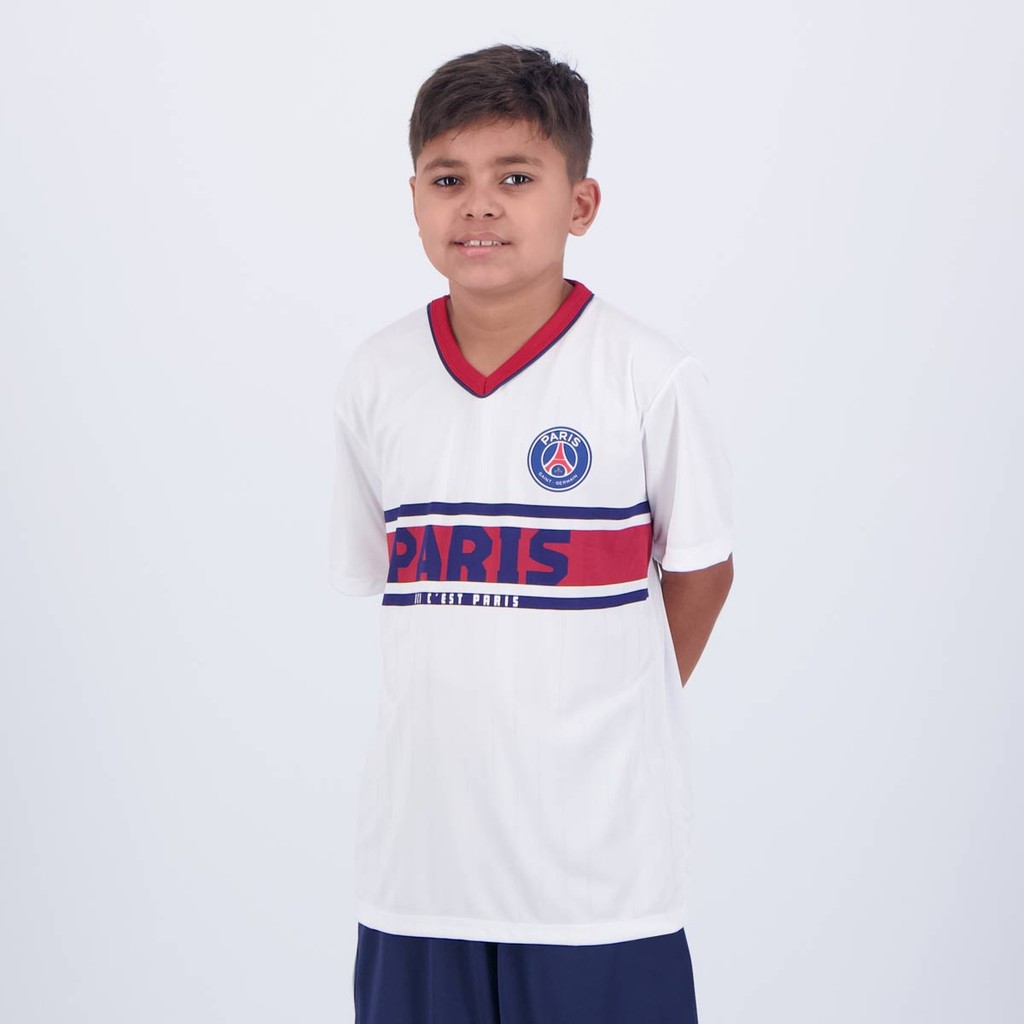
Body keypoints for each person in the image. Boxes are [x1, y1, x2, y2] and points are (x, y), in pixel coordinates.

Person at [329, 43, 734, 1024]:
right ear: (414, 201)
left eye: (515, 178)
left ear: (579, 204)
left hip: (596, 879)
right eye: (448, 180)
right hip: (419, 874)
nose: (479, 206)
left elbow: (704, 571)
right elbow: (388, 583)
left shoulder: (644, 375)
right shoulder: (377, 376)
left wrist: (607, 705)